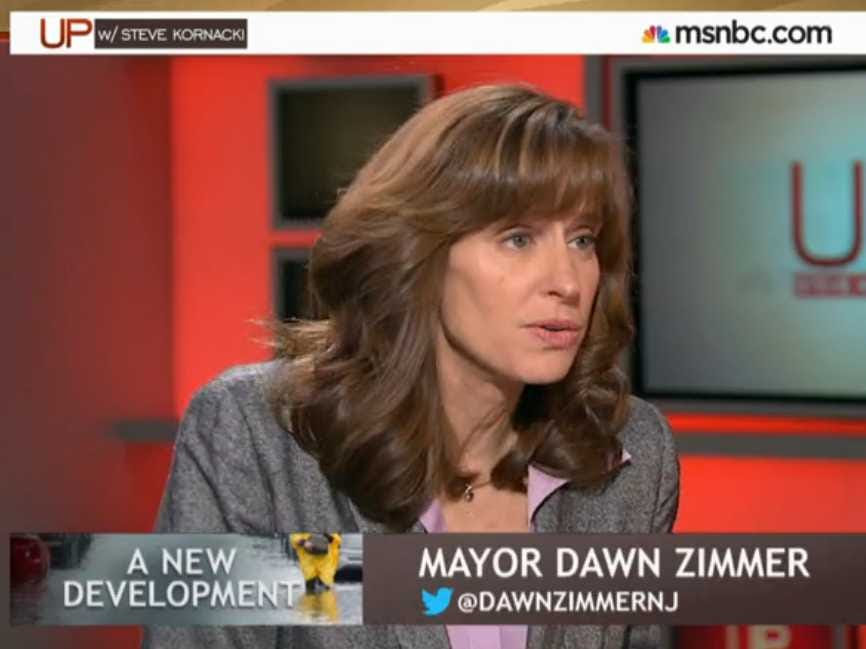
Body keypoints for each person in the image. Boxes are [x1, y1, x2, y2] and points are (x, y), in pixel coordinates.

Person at [142, 83, 679, 649]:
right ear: (419, 254)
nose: (567, 282)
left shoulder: (633, 456)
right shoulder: (255, 438)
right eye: (518, 239)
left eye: (583, 240)